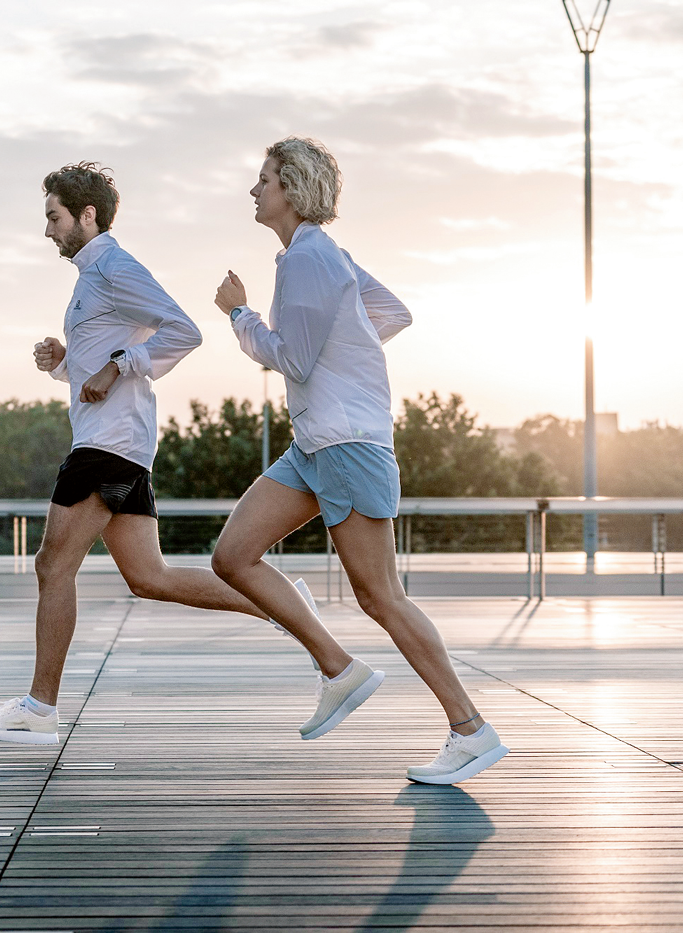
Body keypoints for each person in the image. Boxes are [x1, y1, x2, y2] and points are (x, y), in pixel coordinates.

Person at [0, 162, 314, 745]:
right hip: (116, 442)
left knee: (53, 566)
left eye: (53, 217)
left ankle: (39, 709)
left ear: (86, 215)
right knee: (149, 578)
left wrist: (115, 364)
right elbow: (108, 360)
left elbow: (182, 329)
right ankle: (285, 605)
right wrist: (66, 359)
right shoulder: (90, 276)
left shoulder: (114, 266)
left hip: (107, 445)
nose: (47, 230)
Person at [209, 138, 509, 784]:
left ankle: (470, 728)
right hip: (315, 444)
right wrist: (349, 349)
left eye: (262, 179)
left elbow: (290, 357)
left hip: (346, 443)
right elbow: (392, 314)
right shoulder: (325, 258)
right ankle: (339, 667)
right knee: (232, 555)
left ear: (290, 187)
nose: (253, 190)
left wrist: (238, 312)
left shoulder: (309, 261)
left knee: (381, 596)